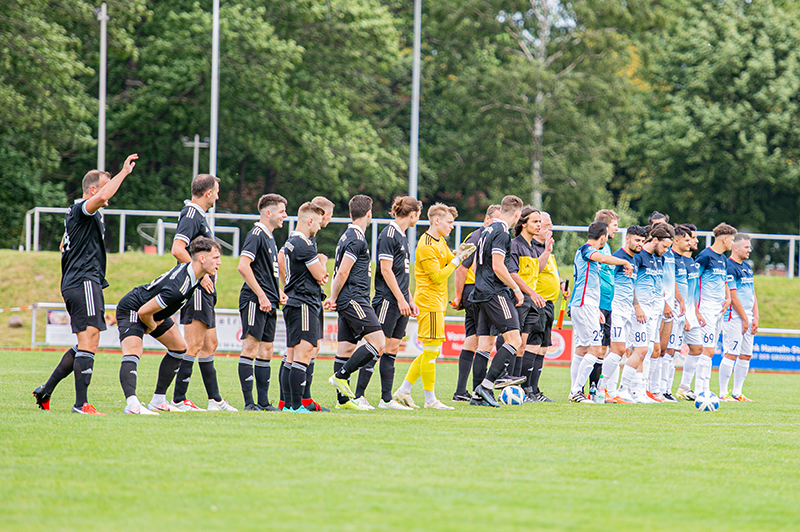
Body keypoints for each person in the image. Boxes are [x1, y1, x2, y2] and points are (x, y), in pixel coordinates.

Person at [33, 154, 138, 415]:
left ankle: (46, 390)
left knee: (84, 342)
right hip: (84, 282)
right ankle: (81, 404)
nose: (108, 194)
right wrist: (123, 172)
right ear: (93, 189)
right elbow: (101, 199)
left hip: (77, 282)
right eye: (106, 185)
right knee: (90, 340)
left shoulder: (79, 214)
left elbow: (65, 243)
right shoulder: (84, 208)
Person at [117, 237, 221, 415]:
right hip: (134, 308)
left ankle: (158, 400)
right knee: (133, 351)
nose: (219, 263)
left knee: (179, 348)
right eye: (216, 258)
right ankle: (132, 405)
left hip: (152, 312)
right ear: (202, 259)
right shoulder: (179, 286)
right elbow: (143, 312)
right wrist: (152, 326)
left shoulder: (195, 274)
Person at [393, 203, 476, 409]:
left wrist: (460, 253)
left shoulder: (439, 242)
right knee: (431, 351)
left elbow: (450, 259)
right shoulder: (426, 245)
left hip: (437, 303)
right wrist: (457, 260)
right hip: (429, 303)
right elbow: (439, 277)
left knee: (432, 351)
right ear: (436, 221)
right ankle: (429, 399)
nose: (452, 227)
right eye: (449, 222)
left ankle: (403, 390)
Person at [169, 174, 235, 411]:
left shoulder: (199, 216)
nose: (218, 195)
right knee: (194, 344)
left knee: (210, 344)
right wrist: (202, 275)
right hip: (197, 287)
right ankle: (178, 399)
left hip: (205, 289)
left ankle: (214, 400)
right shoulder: (191, 214)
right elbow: (178, 249)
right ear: (208, 193)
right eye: (216, 191)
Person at [353, 196, 422, 410]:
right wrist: (401, 299)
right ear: (413, 214)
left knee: (392, 348)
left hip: (400, 301)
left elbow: (402, 275)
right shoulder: (389, 233)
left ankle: (385, 400)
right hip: (387, 300)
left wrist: (409, 300)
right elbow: (386, 269)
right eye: (418, 214)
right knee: (377, 346)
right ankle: (358, 395)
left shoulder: (403, 236)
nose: (418, 219)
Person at [325, 195, 388, 410]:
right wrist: (333, 297)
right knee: (379, 343)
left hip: (349, 298)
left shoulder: (347, 236)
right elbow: (342, 270)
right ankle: (341, 376)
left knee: (346, 348)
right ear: (369, 213)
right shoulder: (356, 238)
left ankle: (342, 401)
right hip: (354, 298)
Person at [469, 195, 526, 408]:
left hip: (480, 291)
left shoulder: (487, 230)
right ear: (518, 215)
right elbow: (498, 266)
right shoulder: (502, 232)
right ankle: (486, 386)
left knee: (485, 344)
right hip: (495, 293)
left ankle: (476, 396)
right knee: (514, 340)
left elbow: (477, 265)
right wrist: (515, 288)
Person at [567, 221, 634, 403]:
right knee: (595, 349)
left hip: (587, 305)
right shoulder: (587, 250)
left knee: (582, 348)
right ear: (603, 238)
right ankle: (576, 391)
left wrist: (596, 308)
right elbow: (603, 259)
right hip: (583, 303)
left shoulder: (587, 253)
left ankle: (575, 390)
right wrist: (625, 261)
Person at [277, 196, 333, 412]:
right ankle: (296, 405)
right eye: (319, 223)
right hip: (304, 303)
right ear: (310, 221)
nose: (319, 227)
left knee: (291, 355)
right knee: (303, 354)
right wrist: (323, 262)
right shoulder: (304, 244)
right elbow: (320, 274)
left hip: (294, 301)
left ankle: (287, 403)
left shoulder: (290, 242)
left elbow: (282, 261)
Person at [236, 194, 288, 411]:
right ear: (269, 213)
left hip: (268, 301)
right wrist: (261, 295)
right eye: (282, 211)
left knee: (266, 351)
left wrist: (277, 292)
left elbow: (266, 272)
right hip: (254, 301)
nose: (285, 215)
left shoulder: (270, 237)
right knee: (250, 348)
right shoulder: (256, 234)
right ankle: (249, 403)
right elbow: (243, 266)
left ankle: (264, 403)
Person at [616, 224, 673, 403]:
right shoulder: (639, 257)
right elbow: (630, 283)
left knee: (646, 350)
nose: (666, 251)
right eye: (664, 246)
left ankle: (639, 390)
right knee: (639, 350)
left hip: (654, 311)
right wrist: (637, 306)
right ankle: (626, 388)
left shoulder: (659, 258)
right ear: (654, 240)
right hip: (640, 311)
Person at [452, 205, 499, 401]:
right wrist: (458, 297)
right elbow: (461, 268)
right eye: (496, 220)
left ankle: (461, 391)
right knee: (484, 340)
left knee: (472, 339)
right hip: (476, 291)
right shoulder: (478, 237)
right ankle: (479, 390)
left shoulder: (482, 236)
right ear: (487, 220)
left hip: (474, 291)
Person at [599, 224, 647, 403]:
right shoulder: (618, 258)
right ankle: (599, 388)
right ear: (627, 238)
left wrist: (635, 305)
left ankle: (611, 392)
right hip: (616, 309)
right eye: (637, 240)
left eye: (642, 241)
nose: (640, 244)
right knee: (618, 350)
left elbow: (631, 287)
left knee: (619, 351)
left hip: (627, 310)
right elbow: (605, 281)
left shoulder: (635, 259)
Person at [526, 212, 568, 402]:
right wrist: (547, 252)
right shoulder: (533, 247)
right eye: (546, 225)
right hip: (537, 304)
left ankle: (535, 390)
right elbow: (537, 270)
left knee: (543, 348)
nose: (550, 229)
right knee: (532, 346)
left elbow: (550, 271)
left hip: (549, 305)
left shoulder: (546, 247)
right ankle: (526, 389)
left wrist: (560, 283)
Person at [508, 207, 546, 399]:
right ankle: (506, 383)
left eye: (540, 222)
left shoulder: (531, 246)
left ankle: (518, 387)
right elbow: (513, 273)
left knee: (522, 346)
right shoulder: (515, 244)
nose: (539, 225)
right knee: (513, 344)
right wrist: (531, 293)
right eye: (535, 221)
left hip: (530, 301)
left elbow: (534, 272)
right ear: (523, 223)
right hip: (519, 299)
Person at [694, 223, 736, 396]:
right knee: (708, 350)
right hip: (706, 308)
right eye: (732, 240)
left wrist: (728, 298)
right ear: (724, 239)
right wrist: (696, 309)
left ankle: (705, 389)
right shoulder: (705, 256)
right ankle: (700, 390)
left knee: (711, 350)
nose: (733, 244)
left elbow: (725, 281)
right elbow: (694, 282)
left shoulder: (723, 259)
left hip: (719, 309)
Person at [719, 233, 758, 402]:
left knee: (746, 355)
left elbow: (752, 293)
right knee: (731, 353)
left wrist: (755, 316)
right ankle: (723, 393)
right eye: (746, 247)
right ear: (735, 248)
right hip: (734, 317)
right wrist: (744, 318)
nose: (750, 250)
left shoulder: (747, 267)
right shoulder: (729, 266)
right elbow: (733, 297)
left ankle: (737, 393)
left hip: (747, 317)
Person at [659, 224, 692, 402]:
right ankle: (659, 390)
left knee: (673, 351)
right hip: (664, 307)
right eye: (687, 239)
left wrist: (680, 301)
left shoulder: (676, 258)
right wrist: (666, 302)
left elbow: (674, 282)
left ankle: (667, 390)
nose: (690, 243)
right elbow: (660, 279)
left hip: (676, 309)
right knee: (662, 350)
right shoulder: (664, 254)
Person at [592, 209, 620, 399]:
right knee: (597, 349)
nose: (617, 229)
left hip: (609, 304)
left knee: (607, 349)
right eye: (615, 225)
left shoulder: (608, 247)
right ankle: (593, 389)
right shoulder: (596, 249)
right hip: (598, 303)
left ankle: (604, 390)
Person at [676, 224, 704, 401]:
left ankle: (684, 387)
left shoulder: (692, 263)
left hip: (691, 312)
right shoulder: (677, 261)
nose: (695, 241)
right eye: (692, 238)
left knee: (697, 348)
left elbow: (691, 291)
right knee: (666, 351)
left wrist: (696, 312)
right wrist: (685, 314)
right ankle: (660, 389)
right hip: (679, 312)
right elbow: (677, 288)